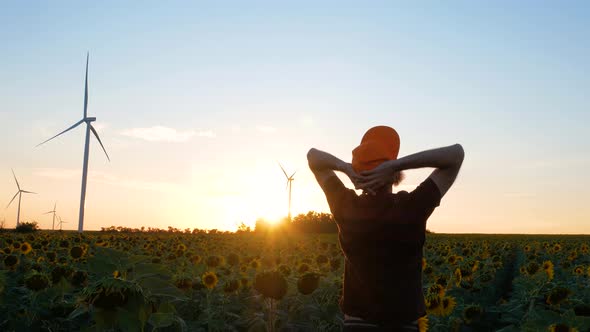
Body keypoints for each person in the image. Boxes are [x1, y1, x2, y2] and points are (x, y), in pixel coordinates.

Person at [307, 125, 464, 331]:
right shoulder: (412, 207)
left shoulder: (345, 205)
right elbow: (456, 155)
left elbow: (313, 157)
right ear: (394, 175)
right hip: (403, 324)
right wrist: (397, 164)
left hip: (357, 323)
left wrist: (346, 168)